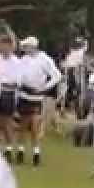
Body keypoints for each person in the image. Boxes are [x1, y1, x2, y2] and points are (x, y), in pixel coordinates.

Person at [16, 37, 62, 167]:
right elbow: (20, 74)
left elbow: (57, 75)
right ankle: (21, 150)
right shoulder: (24, 59)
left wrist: (44, 87)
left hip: (36, 95)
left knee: (35, 125)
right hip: (24, 93)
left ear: (33, 47)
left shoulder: (44, 59)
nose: (25, 49)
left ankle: (36, 153)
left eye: (27, 47)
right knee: (22, 125)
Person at [0, 34, 24, 163]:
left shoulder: (17, 62)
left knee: (6, 123)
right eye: (2, 45)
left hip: (8, 93)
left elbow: (18, 81)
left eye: (7, 46)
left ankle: (8, 148)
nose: (5, 48)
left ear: (12, 47)